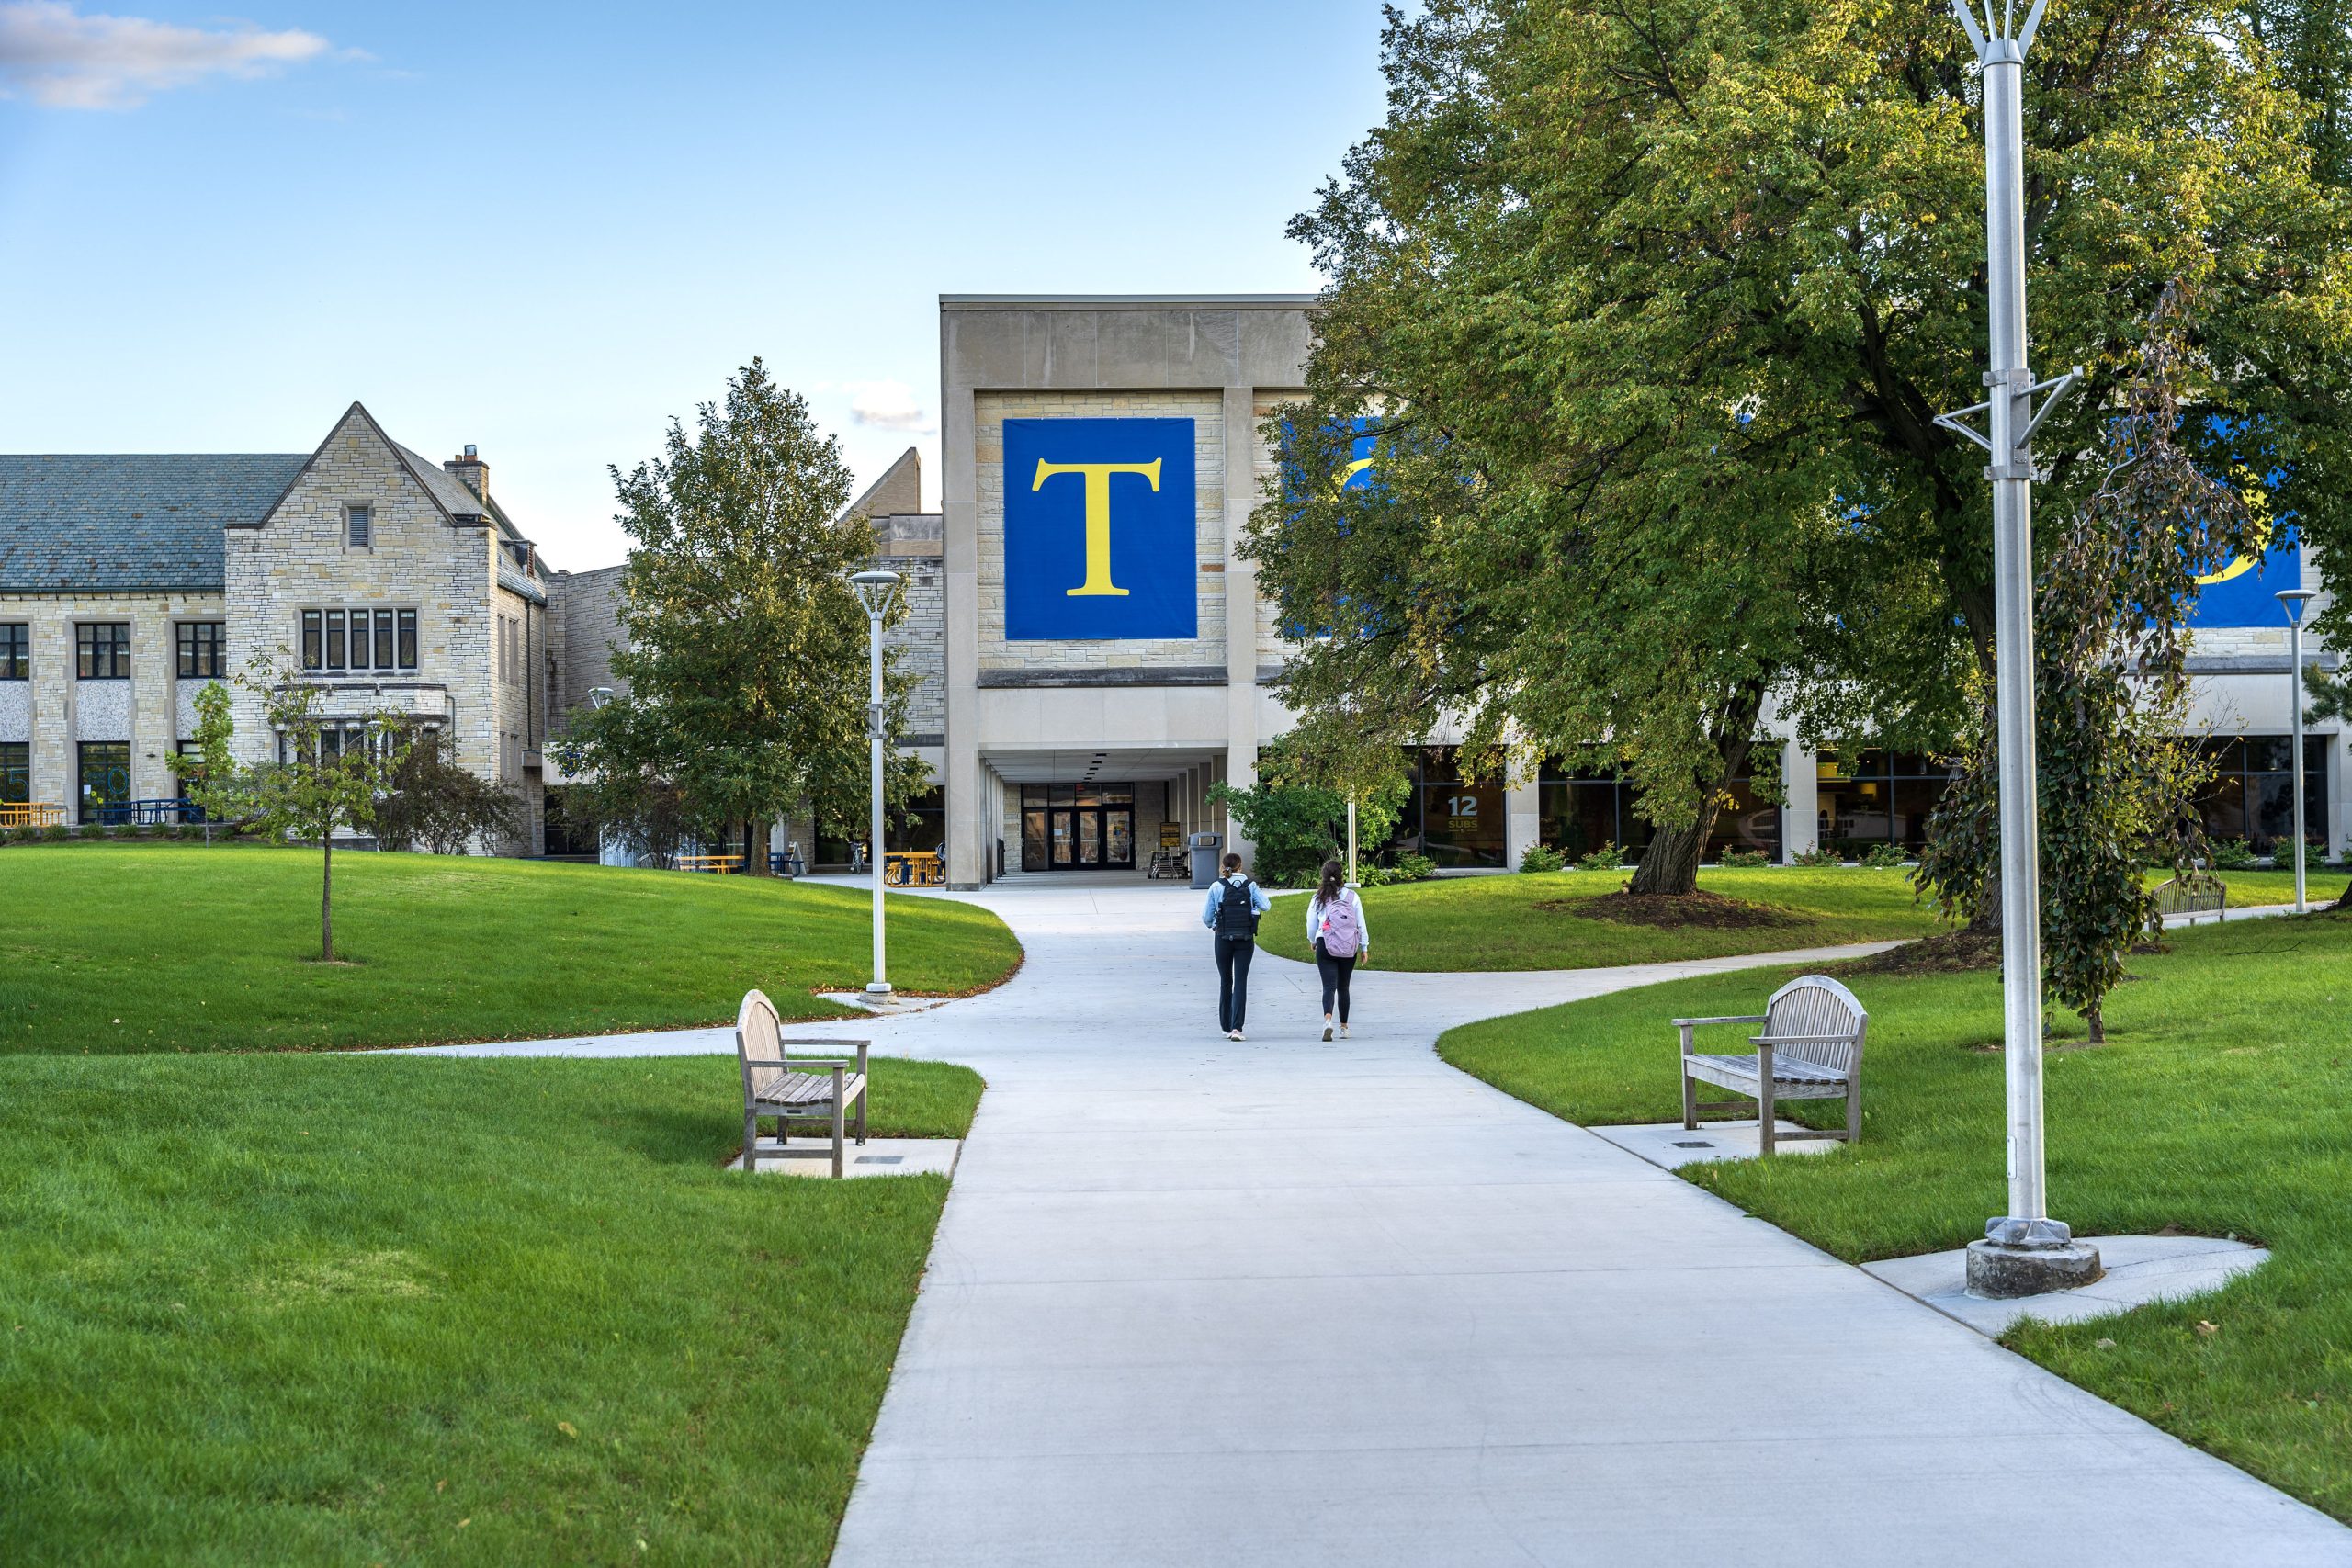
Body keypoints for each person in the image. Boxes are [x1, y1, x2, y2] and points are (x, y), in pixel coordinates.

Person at [1201, 852, 1272, 1041]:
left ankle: (1225, 1026)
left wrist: (1213, 926)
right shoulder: (1251, 885)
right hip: (1245, 939)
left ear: (1223, 867)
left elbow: (1206, 917)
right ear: (1241, 866)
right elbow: (1266, 906)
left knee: (1225, 981)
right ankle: (1236, 1028)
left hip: (1222, 938)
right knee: (1240, 981)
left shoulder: (1216, 886)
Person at [1306, 858, 1371, 1040]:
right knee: (1343, 987)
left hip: (1325, 943)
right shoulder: (1352, 897)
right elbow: (1360, 923)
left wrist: (1313, 940)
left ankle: (1328, 1020)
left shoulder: (1318, 897)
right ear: (1341, 875)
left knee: (1328, 986)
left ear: (1323, 876)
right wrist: (1363, 946)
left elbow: (1311, 924)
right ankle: (1344, 1027)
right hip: (1348, 946)